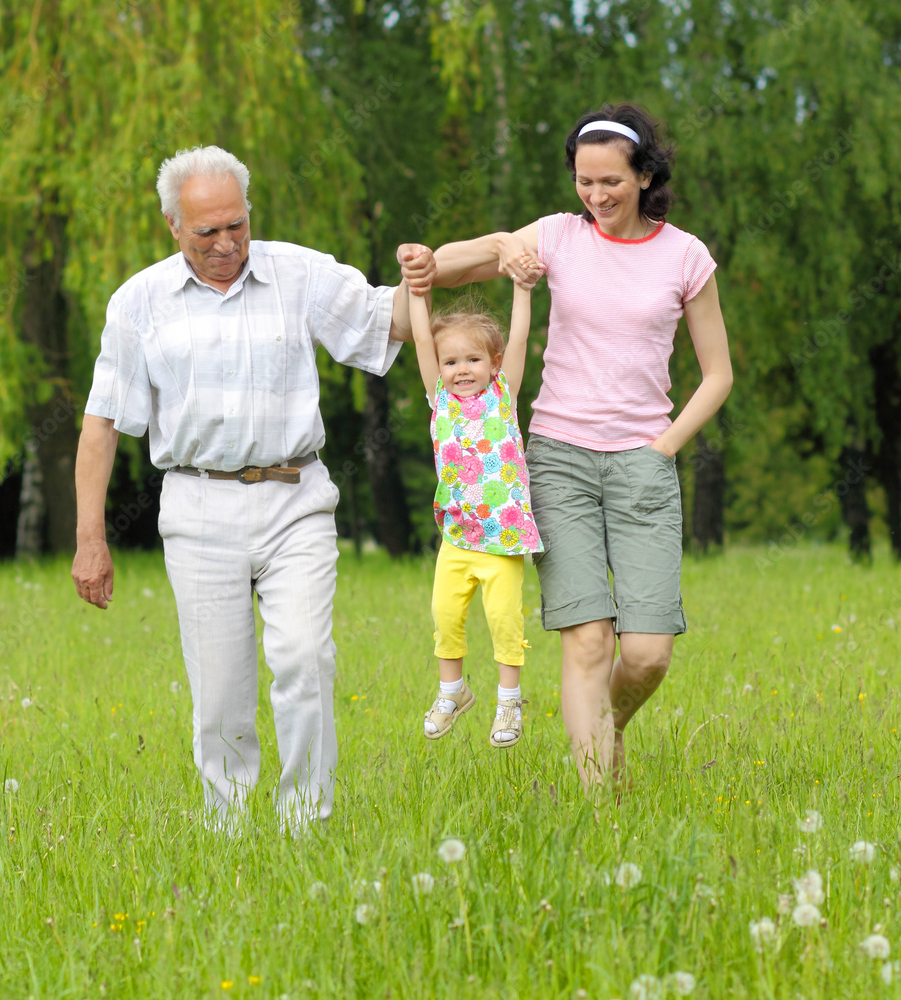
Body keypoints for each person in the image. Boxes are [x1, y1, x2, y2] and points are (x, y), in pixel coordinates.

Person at [71, 144, 430, 831]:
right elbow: (102, 424)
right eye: (207, 231)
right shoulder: (139, 303)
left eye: (236, 224)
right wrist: (91, 540)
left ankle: (305, 824)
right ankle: (228, 829)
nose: (227, 243)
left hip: (297, 498)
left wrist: (438, 274)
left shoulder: (298, 273)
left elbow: (390, 321)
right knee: (221, 690)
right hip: (198, 504)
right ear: (174, 226)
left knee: (304, 658)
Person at [425, 103, 734, 789]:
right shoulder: (558, 237)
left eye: (611, 182)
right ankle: (602, 809)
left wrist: (662, 448)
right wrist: (495, 248)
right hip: (558, 459)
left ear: (646, 175)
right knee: (589, 641)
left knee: (649, 652)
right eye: (583, 182)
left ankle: (608, 723)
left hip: (642, 463)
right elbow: (441, 268)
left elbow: (718, 374)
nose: (596, 197)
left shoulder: (685, 256)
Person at [406, 250, 544, 748]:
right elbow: (422, 338)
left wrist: (523, 290)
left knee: (505, 620)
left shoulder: (502, 396)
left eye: (472, 359)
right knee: (445, 613)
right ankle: (452, 692)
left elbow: (522, 336)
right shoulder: (439, 399)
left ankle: (509, 704)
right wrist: (416, 292)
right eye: (451, 361)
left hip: (503, 538)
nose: (461, 369)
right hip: (458, 536)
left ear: (494, 363)